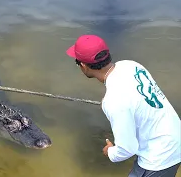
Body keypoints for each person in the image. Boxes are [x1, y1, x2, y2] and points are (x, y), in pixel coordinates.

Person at [65, 34, 181, 176]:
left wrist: (110, 151)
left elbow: (127, 149)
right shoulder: (131, 65)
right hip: (175, 137)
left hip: (159, 158)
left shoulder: (114, 101)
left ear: (83, 66)